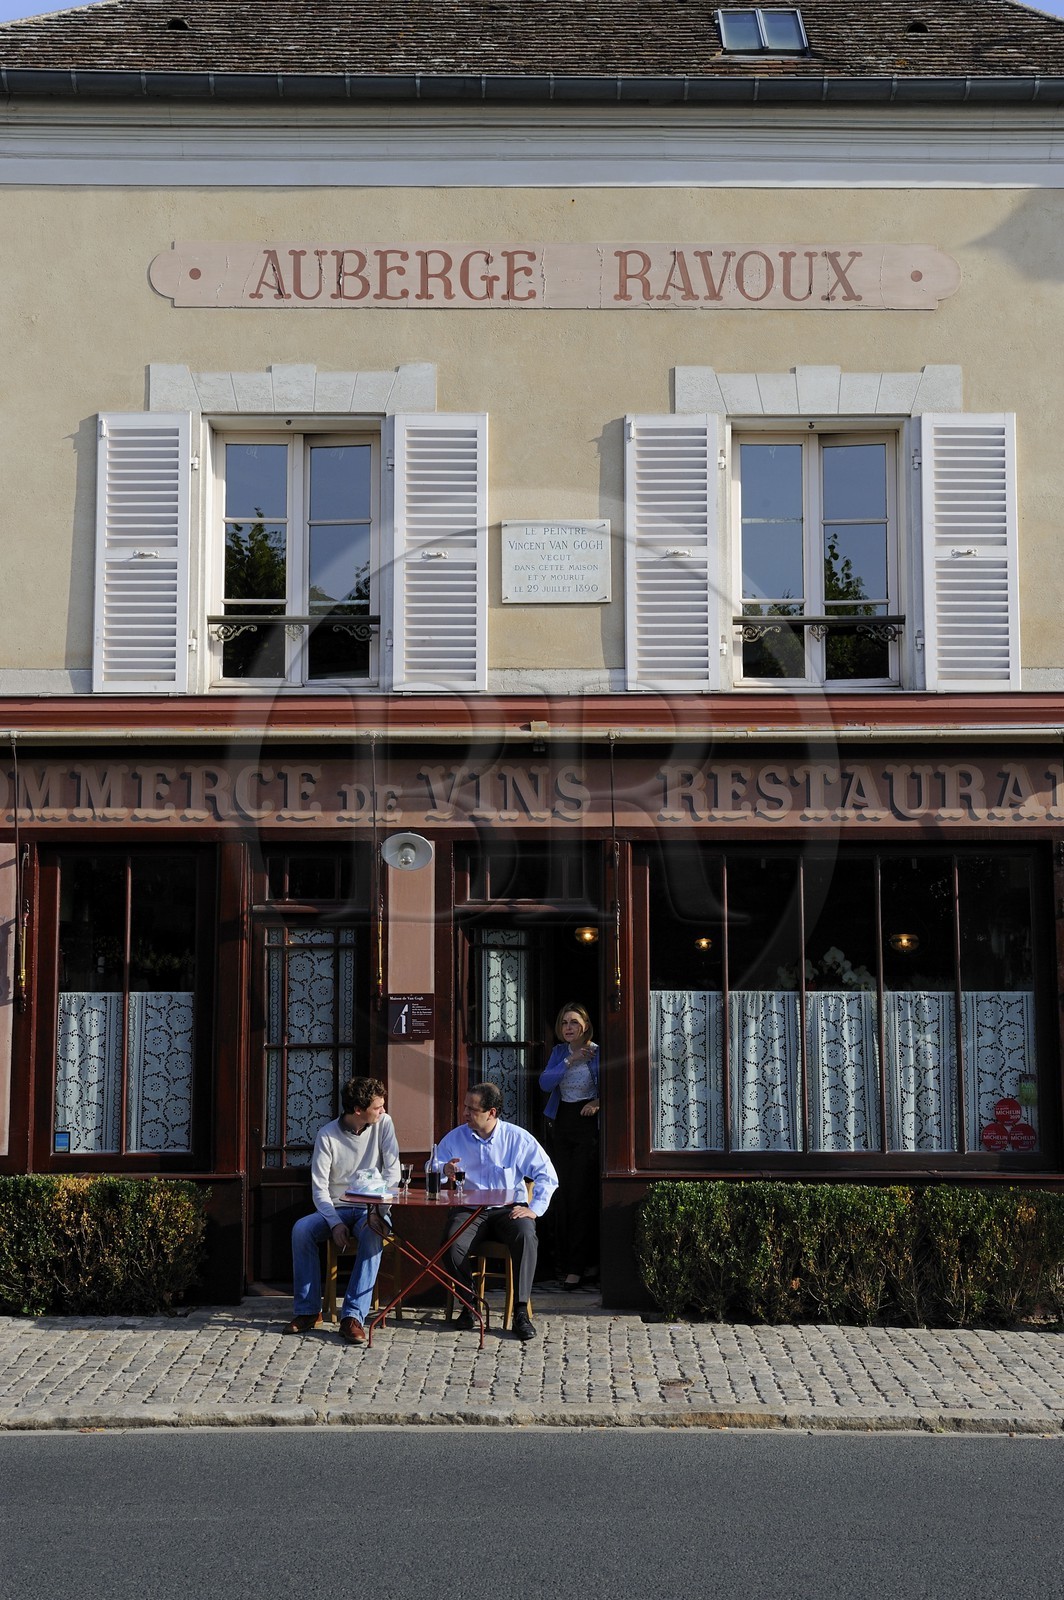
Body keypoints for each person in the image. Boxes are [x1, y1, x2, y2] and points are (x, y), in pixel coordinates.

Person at [282, 1075, 400, 1346]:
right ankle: (308, 1311)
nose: (383, 1111)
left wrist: (377, 1210)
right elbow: (319, 1188)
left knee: (373, 1232)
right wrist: (334, 1222)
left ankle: (352, 1317)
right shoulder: (327, 1135)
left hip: (373, 1207)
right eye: (377, 1107)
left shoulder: (384, 1124)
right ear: (358, 1110)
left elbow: (393, 1173)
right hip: (336, 1207)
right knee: (301, 1230)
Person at [436, 1081, 558, 1342]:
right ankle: (471, 1305)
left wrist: (534, 1209)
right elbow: (433, 1163)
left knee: (526, 1236)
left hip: (508, 1210)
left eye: (472, 1108)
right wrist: (443, 1169)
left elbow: (547, 1175)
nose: (465, 1113)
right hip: (469, 1209)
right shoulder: (456, 1137)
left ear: (491, 1112)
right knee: (450, 1243)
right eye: (465, 1107)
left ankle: (521, 1312)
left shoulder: (517, 1138)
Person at [538, 1002, 600, 1290]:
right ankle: (562, 1263)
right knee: (560, 1194)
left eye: (574, 1022)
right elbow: (545, 1084)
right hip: (561, 1125)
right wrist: (569, 1061)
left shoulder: (597, 1052)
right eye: (564, 1023)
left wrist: (598, 1102)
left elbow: (613, 1085)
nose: (568, 1028)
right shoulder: (560, 1053)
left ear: (585, 1025)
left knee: (580, 1196)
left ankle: (579, 1266)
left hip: (586, 1127)